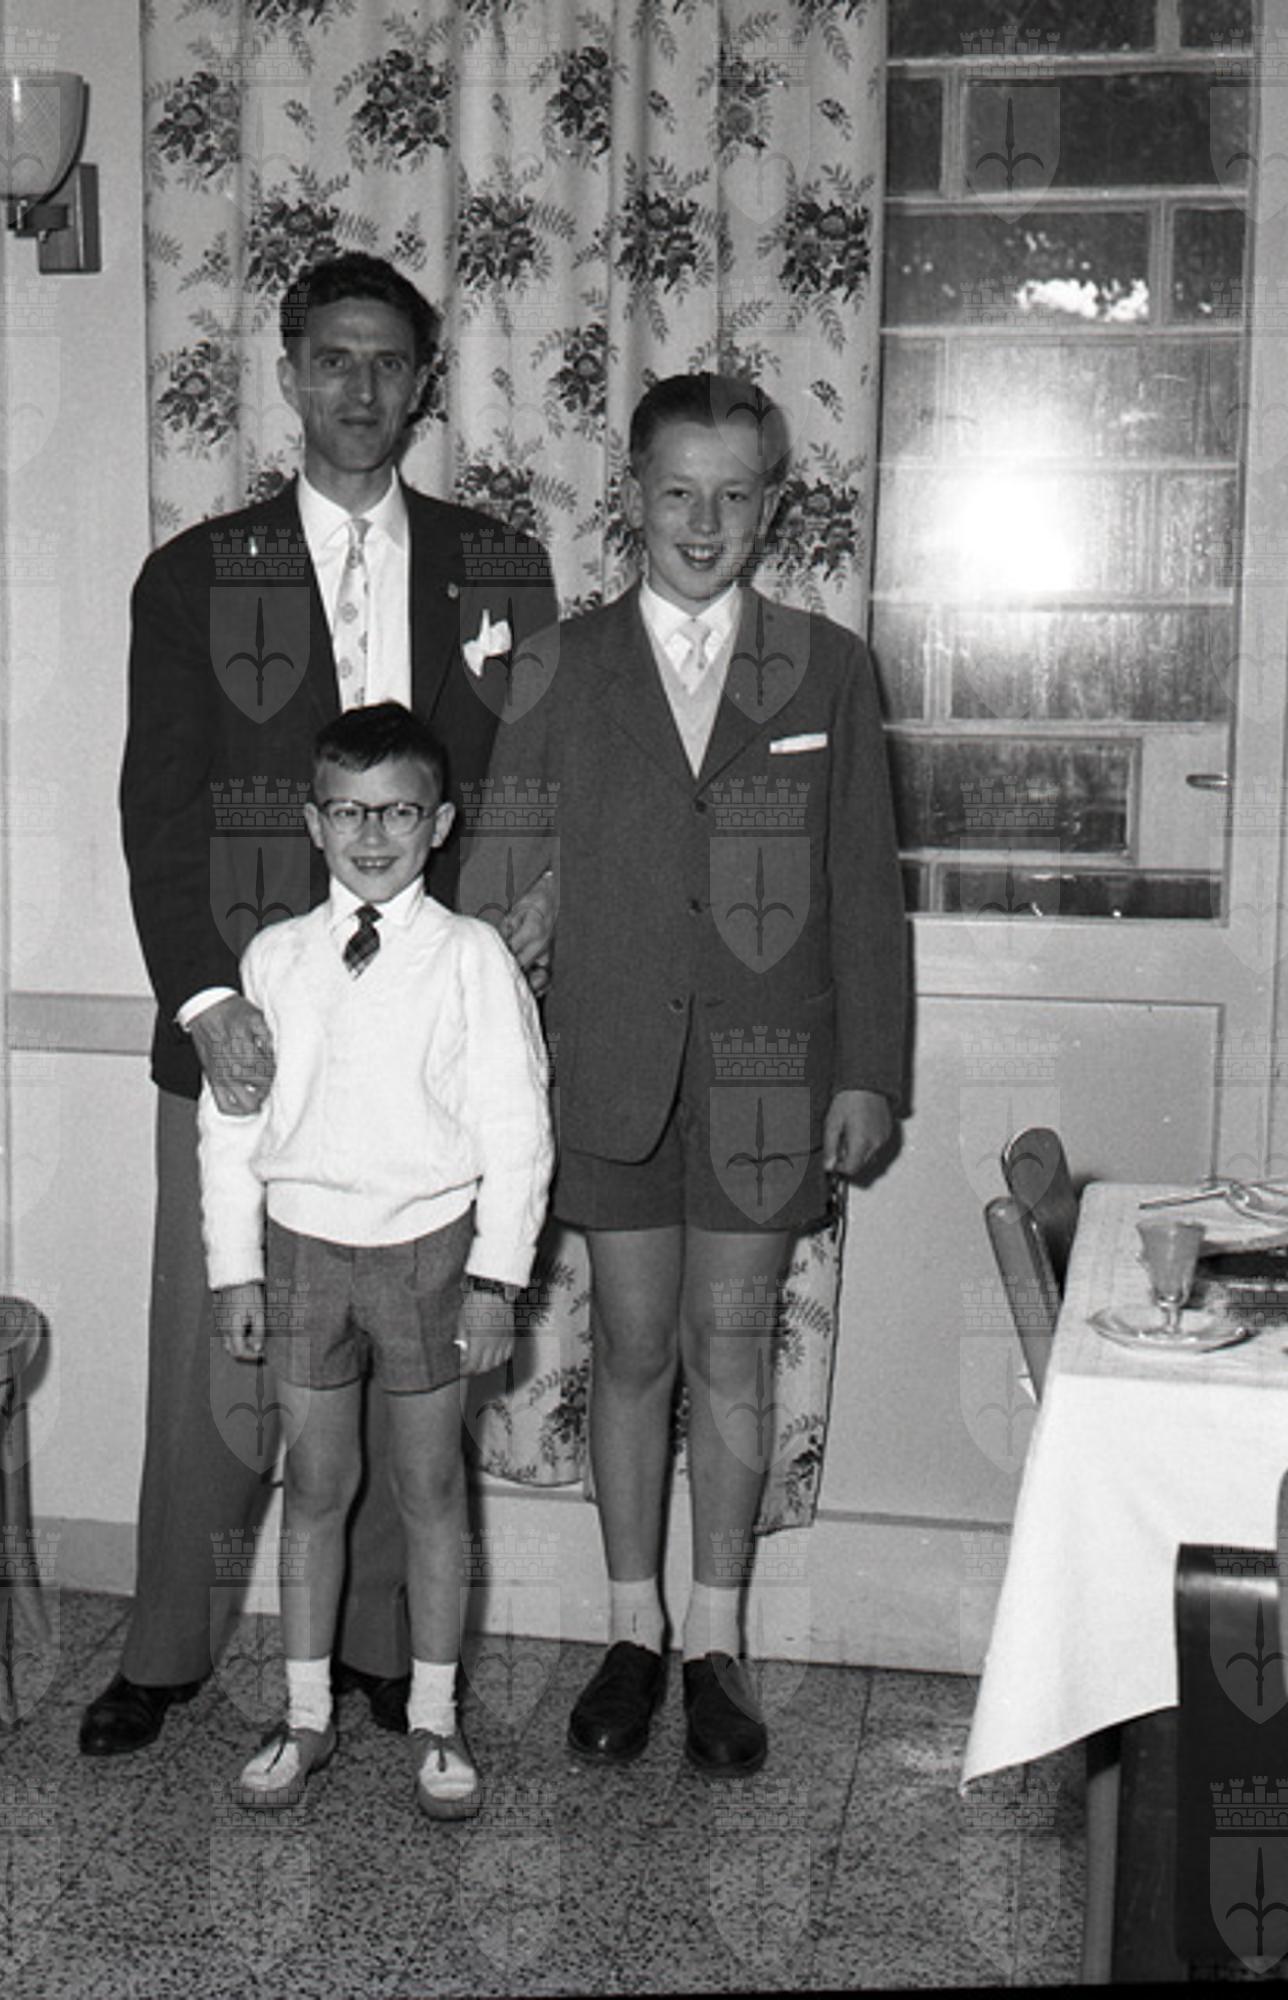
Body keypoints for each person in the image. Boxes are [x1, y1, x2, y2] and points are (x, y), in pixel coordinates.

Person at [97, 253, 556, 1756]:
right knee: (224, 1365)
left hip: (425, 1041)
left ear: (423, 384)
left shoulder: (498, 567)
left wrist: (513, 945)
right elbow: (157, 808)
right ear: (289, 372)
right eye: (334, 359)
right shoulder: (193, 574)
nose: (362, 388)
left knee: (407, 1377)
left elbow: (523, 787)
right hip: (254, 1031)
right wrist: (204, 998)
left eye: (390, 362)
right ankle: (167, 1649)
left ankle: (375, 1654)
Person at [471, 373, 907, 1775]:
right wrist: (510, 946)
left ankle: (716, 1641)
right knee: (631, 1347)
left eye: (733, 495)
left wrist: (869, 1069)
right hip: (608, 1064)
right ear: (633, 498)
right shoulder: (557, 665)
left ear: (770, 507)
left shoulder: (826, 667)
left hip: (772, 1076)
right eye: (676, 492)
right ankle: (629, 1631)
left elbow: (864, 885)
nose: (703, 522)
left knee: (731, 1346)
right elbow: (496, 879)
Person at [200, 701, 552, 1816]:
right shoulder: (275, 957)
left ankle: (436, 1717)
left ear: (438, 823)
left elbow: (518, 1129)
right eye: (347, 812)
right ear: (313, 822)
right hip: (306, 1252)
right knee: (314, 1484)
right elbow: (232, 1124)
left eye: (398, 811)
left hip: (430, 1255)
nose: (371, 834)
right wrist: (234, 1265)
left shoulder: (471, 957)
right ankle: (305, 1714)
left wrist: (497, 1279)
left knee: (431, 1484)